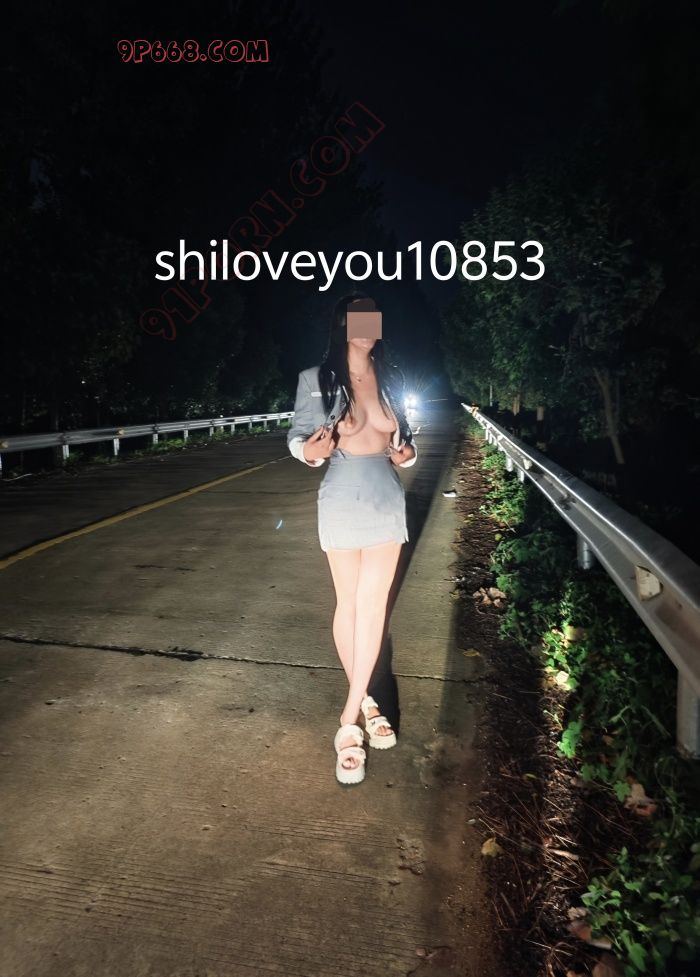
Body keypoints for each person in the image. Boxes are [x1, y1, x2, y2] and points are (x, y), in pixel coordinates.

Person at [287, 293, 418, 785]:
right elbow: (298, 437)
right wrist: (309, 450)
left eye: (373, 317)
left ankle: (352, 713)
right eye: (358, 318)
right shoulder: (316, 380)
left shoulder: (393, 378)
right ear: (342, 324)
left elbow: (406, 441)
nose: (367, 326)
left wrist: (407, 455)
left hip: (386, 496)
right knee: (350, 603)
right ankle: (362, 707)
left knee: (374, 605)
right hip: (341, 494)